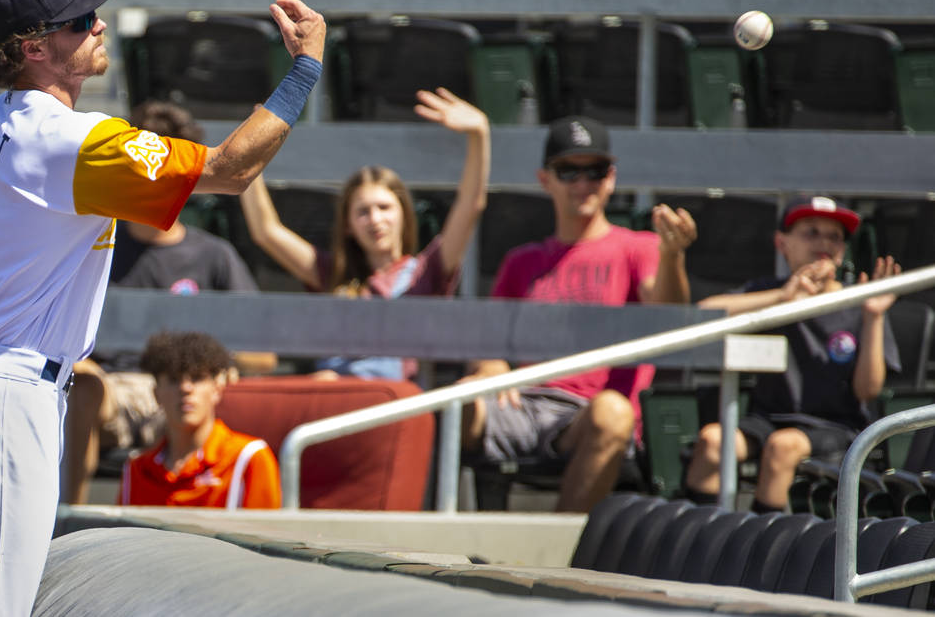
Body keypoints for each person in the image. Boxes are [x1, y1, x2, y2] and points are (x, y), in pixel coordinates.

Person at [0, 0, 324, 616]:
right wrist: (304, 71)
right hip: (7, 400)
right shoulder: (68, 140)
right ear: (34, 48)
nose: (99, 23)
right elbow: (230, 169)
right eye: (79, 20)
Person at [459, 115, 697, 513]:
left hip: (588, 413)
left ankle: (558, 559)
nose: (583, 184)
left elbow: (669, 315)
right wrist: (489, 367)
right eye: (569, 171)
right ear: (544, 179)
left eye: (595, 171)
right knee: (451, 404)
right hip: (523, 402)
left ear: (612, 178)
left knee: (613, 413)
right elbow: (490, 341)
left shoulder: (639, 247)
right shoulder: (522, 261)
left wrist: (672, 256)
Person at [62, 100, 277, 505]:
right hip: (113, 389)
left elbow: (263, 355)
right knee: (84, 383)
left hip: (186, 388)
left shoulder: (214, 255)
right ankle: (66, 521)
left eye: (167, 173)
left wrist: (211, 365)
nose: (155, 182)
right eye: (144, 171)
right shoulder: (96, 243)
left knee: (189, 393)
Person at [238, 86, 490, 381]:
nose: (375, 219)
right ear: (348, 224)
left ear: (404, 215)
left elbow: (470, 206)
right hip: (332, 398)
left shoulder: (427, 272)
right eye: (363, 211)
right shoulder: (332, 273)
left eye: (384, 207)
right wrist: (249, 150)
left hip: (392, 402)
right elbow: (266, 232)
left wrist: (479, 135)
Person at [684, 195, 901, 513]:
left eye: (834, 236)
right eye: (811, 232)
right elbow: (703, 314)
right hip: (765, 420)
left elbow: (867, 391)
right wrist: (783, 298)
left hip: (834, 427)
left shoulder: (862, 303)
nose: (823, 242)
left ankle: (760, 551)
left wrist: (874, 316)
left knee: (782, 447)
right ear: (781, 242)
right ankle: (697, 541)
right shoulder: (770, 293)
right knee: (712, 440)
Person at [118, 331, 281, 509]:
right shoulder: (136, 470)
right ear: (156, 394)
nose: (185, 388)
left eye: (197, 378)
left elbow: (264, 535)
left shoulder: (249, 458)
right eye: (173, 380)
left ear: (217, 389)